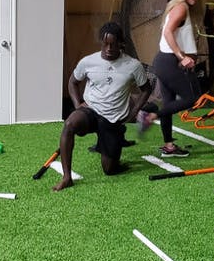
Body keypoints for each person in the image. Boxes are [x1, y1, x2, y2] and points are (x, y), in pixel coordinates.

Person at [52, 22, 152, 191]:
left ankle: (115, 147)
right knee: (69, 124)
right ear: (101, 42)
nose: (109, 48)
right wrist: (77, 105)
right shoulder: (88, 61)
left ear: (121, 43)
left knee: (110, 170)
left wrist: (134, 111)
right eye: (105, 44)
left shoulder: (133, 65)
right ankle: (67, 177)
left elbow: (146, 89)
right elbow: (73, 82)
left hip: (113, 117)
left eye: (113, 44)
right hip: (91, 110)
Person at [138, 0, 204, 158]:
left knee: (168, 103)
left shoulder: (179, 6)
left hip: (164, 61)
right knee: (192, 98)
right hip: (169, 62)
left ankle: (169, 146)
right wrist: (181, 56)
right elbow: (167, 32)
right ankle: (149, 116)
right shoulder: (181, 8)